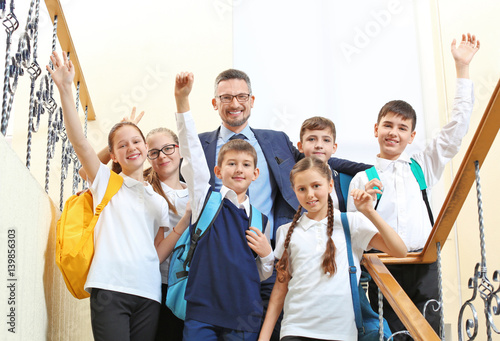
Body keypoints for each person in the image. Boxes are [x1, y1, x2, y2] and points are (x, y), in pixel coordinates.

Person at [199, 69, 370, 339]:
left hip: (268, 257)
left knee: (262, 331)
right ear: (215, 102)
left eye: (241, 96)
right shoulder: (200, 145)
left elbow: (315, 160)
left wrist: (375, 170)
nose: (235, 104)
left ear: (252, 100)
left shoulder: (275, 139)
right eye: (226, 97)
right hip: (217, 261)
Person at [346, 33, 480, 339]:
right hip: (382, 269)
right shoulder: (362, 179)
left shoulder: (423, 165)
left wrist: (462, 68)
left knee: (428, 333)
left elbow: (458, 127)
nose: (394, 133)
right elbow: (356, 235)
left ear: (411, 136)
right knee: (391, 336)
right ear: (376, 129)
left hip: (425, 266)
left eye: (402, 128)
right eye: (388, 125)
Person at [48, 51, 189, 341]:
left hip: (149, 294)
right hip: (110, 288)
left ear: (146, 150)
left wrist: (183, 222)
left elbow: (158, 252)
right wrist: (65, 88)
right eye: (122, 145)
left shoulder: (158, 200)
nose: (131, 147)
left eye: (136, 141)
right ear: (113, 155)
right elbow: (80, 142)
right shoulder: (105, 182)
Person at [258, 157, 407, 341]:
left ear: (330, 185)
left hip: (342, 333)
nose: (310, 194)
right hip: (295, 330)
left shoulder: (352, 222)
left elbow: (400, 250)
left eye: (316, 186)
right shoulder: (286, 231)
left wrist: (369, 212)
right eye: (302, 189)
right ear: (294, 192)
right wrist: (264, 338)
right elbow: (280, 290)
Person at [175, 71, 274, 341]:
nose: (238, 170)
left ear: (256, 173)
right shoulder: (205, 200)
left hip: (244, 316)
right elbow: (191, 153)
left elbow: (262, 273)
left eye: (245, 165)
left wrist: (267, 255)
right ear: (218, 171)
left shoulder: (261, 220)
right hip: (202, 312)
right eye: (231, 164)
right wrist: (182, 101)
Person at [81, 110, 190, 341]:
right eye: (154, 151)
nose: (162, 156)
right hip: (150, 283)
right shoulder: (131, 187)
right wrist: (117, 139)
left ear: (180, 150)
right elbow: (86, 168)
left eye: (168, 148)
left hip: (170, 289)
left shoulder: (192, 195)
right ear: (147, 156)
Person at [297, 116, 371, 211]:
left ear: (334, 147)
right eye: (311, 139)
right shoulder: (293, 179)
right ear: (300, 146)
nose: (319, 145)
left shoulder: (348, 180)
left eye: (326, 140)